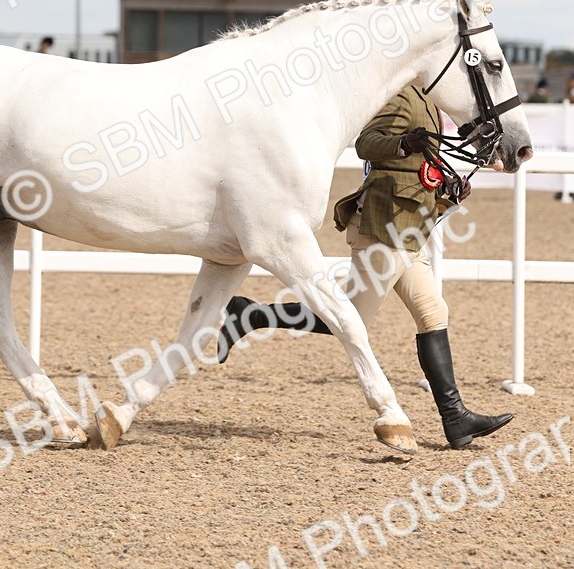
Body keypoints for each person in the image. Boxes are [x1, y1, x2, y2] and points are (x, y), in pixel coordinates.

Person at [216, 86, 514, 450]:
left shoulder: (429, 100)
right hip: (384, 224)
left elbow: (422, 164)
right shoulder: (399, 94)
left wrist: (446, 186)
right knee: (350, 315)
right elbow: (367, 143)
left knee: (433, 311)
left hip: (413, 225)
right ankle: (252, 315)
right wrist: (404, 143)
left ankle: (456, 419)